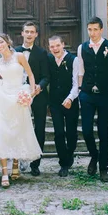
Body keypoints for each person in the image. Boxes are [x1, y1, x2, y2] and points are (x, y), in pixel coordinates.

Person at [0, 33, 41, 187]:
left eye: (1, 42)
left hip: (18, 96)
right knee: (4, 132)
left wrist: (31, 91)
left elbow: (30, 74)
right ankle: (4, 172)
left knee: (17, 130)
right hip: (3, 98)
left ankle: (15, 165)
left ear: (7, 41)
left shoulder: (19, 56)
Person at [77, 16, 108, 182]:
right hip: (87, 94)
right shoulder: (82, 48)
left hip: (105, 94)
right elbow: (81, 72)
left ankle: (104, 168)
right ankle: (94, 156)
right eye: (90, 29)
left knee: (103, 131)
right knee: (87, 130)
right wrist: (81, 90)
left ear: (101, 30)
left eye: (96, 29)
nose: (93, 33)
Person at [14, 22, 49, 177]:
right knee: (20, 127)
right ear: (22, 33)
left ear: (36, 35)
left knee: (39, 128)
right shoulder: (14, 52)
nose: (29, 34)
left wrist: (39, 87)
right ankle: (21, 159)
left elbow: (46, 76)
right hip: (18, 95)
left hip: (38, 96)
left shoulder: (42, 53)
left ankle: (36, 163)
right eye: (26, 31)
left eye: (32, 32)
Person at [47, 35, 80, 177]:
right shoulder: (49, 60)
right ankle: (64, 163)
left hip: (71, 101)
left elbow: (76, 84)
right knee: (59, 132)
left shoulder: (74, 60)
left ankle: (70, 153)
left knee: (71, 133)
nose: (55, 49)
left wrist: (70, 98)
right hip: (55, 102)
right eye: (52, 46)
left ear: (63, 45)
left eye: (57, 46)